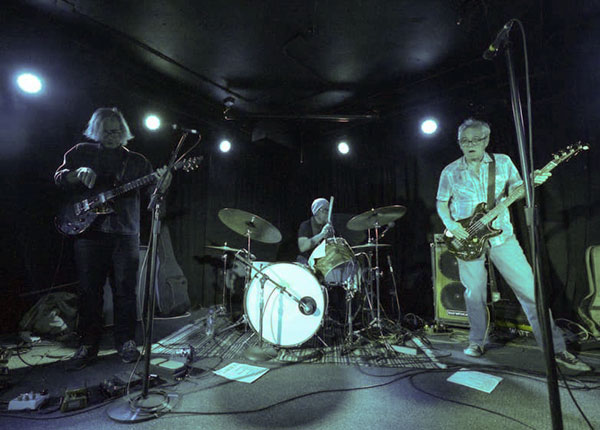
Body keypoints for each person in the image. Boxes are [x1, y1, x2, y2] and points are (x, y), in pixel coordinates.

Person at [436, 118, 591, 372]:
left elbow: (518, 190)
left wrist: (532, 182)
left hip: (501, 237)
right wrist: (452, 225)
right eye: (464, 141)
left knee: (530, 291)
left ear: (486, 140)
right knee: (474, 294)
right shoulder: (450, 171)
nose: (470, 145)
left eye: (475, 140)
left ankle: (557, 349)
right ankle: (476, 342)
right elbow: (442, 203)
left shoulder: (504, 162)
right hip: (466, 239)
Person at [55, 107, 171, 370]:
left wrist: (163, 184)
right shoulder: (81, 152)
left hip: (125, 233)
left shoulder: (138, 161)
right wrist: (77, 173)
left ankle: (127, 342)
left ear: (125, 132)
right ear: (96, 131)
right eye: (107, 131)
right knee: (89, 291)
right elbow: (59, 178)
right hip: (89, 232)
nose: (112, 136)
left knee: (125, 292)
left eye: (117, 131)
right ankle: (88, 344)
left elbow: (154, 201)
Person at [297, 198, 335, 264]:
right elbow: (302, 247)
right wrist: (322, 234)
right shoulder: (306, 226)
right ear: (317, 211)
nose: (328, 213)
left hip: (323, 261)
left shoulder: (328, 227)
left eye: (329, 211)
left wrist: (332, 237)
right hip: (306, 261)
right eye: (326, 210)